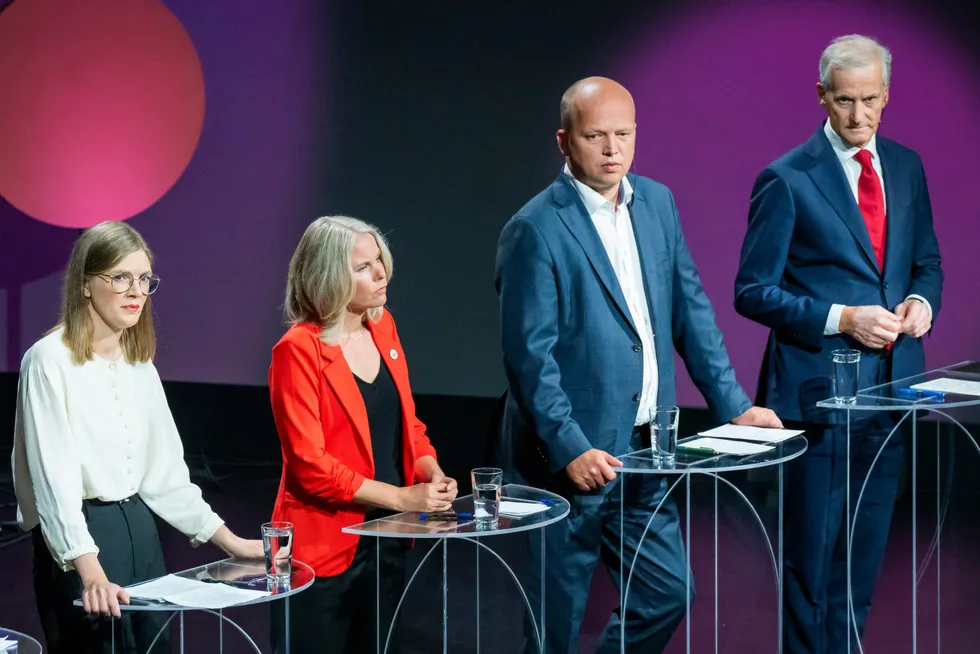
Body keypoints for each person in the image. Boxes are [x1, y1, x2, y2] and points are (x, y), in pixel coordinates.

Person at [494, 76, 783, 654]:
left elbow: (691, 315)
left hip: (648, 450)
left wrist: (735, 408)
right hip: (570, 460)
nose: (611, 149)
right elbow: (530, 358)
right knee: (553, 625)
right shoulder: (535, 228)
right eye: (595, 135)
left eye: (622, 134)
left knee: (666, 594)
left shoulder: (657, 203)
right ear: (564, 141)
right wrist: (570, 446)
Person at [734, 35, 943, 653]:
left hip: (890, 393)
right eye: (845, 100)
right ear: (822, 97)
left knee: (862, 559)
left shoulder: (905, 166)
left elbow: (926, 263)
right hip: (819, 401)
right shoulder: (787, 178)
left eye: (871, 99)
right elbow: (752, 290)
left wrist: (920, 305)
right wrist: (842, 317)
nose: (859, 116)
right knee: (812, 566)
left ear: (887, 95)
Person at [11, 221, 263, 654]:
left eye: (145, 279)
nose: (136, 291)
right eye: (121, 277)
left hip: (141, 537)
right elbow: (53, 481)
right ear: (86, 284)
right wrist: (89, 572)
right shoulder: (48, 361)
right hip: (80, 545)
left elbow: (164, 475)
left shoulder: (139, 365)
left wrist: (231, 542)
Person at [268, 216, 458, 654]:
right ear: (329, 277)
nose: (380, 274)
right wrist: (401, 499)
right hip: (324, 548)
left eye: (380, 261)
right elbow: (310, 466)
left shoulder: (383, 326)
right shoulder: (298, 350)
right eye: (363, 267)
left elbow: (406, 422)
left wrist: (428, 469)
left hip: (387, 539)